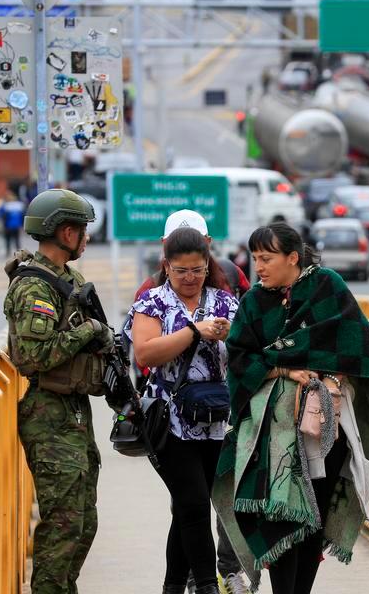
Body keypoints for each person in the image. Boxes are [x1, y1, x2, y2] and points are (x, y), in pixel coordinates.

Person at [213, 222, 369, 594]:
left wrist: (324, 374)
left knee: (313, 520)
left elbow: (356, 346)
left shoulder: (327, 286)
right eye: (255, 258)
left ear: (292, 257)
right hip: (271, 435)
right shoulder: (254, 302)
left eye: (266, 259)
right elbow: (239, 358)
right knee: (280, 517)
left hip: (326, 428)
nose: (259, 267)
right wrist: (282, 368)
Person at [131, 210, 249, 594]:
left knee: (186, 508)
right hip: (170, 421)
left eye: (197, 270)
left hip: (216, 420)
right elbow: (146, 353)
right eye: (181, 270)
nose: (189, 277)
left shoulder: (225, 302)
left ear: (207, 265)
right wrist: (195, 331)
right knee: (195, 504)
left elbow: (249, 353)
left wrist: (230, 336)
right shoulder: (153, 302)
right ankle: (206, 585)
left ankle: (172, 586)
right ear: (166, 265)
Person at [3, 188, 114, 593]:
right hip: (48, 415)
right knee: (62, 525)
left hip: (74, 412)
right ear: (66, 233)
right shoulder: (35, 287)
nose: (86, 237)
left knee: (84, 521)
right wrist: (90, 331)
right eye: (82, 230)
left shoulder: (70, 279)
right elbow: (32, 356)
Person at [134, 210, 250, 301]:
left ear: (208, 242)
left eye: (195, 240)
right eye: (176, 242)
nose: (189, 277)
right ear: (164, 244)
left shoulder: (231, 273)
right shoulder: (149, 293)